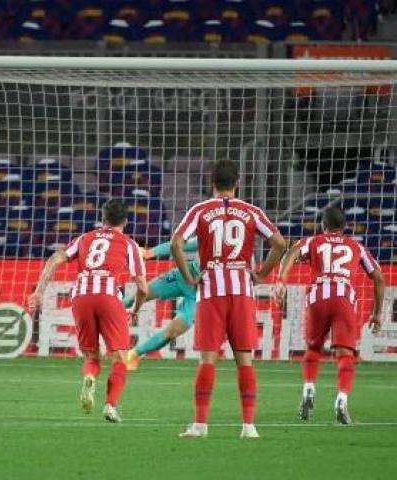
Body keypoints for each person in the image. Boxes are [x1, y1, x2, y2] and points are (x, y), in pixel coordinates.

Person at [171, 160, 286, 439]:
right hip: (242, 290)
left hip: (211, 290)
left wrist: (188, 276)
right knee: (244, 360)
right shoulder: (251, 211)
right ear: (238, 183)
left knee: (208, 359)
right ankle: (249, 426)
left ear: (212, 183)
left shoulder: (200, 210)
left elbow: (176, 242)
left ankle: (200, 425)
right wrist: (262, 273)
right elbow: (280, 243)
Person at [28, 198, 148, 423]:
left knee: (91, 355)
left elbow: (55, 258)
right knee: (120, 356)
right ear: (126, 221)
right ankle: (111, 405)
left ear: (102, 218)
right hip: (109, 296)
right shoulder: (129, 244)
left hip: (81, 296)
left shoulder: (85, 238)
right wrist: (136, 308)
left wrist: (39, 292)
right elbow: (142, 287)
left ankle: (90, 377)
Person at [274, 206, 384, 424]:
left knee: (313, 348)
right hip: (344, 298)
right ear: (344, 228)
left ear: (322, 226)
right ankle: (342, 399)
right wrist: (377, 313)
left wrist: (281, 280)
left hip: (318, 298)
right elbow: (379, 277)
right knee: (345, 353)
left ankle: (308, 388)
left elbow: (292, 252)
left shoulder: (313, 241)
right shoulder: (356, 246)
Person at [123, 239, 199, 370]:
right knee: (136, 296)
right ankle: (99, 317)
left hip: (199, 293)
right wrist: (149, 253)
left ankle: (134, 354)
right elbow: (177, 245)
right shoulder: (211, 233)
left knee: (173, 331)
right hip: (183, 276)